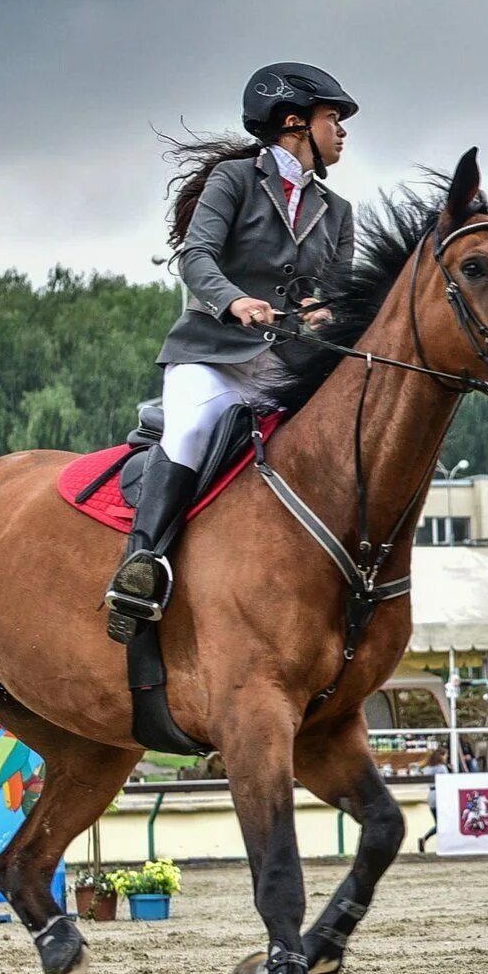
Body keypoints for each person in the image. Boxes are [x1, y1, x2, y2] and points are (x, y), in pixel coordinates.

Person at [103, 62, 358, 642]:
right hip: (213, 356)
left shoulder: (338, 212)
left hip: (284, 369)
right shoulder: (234, 180)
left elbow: (336, 291)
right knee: (190, 433)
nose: (342, 130)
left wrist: (327, 310)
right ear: (294, 123)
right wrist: (234, 301)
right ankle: (140, 567)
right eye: (332, 118)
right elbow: (197, 257)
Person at [416, 748, 450, 853]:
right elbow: (447, 781)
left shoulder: (427, 768)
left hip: (431, 795)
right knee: (443, 823)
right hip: (440, 794)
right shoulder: (442, 768)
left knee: (438, 822)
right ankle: (426, 838)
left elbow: (418, 772)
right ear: (442, 756)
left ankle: (426, 839)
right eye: (445, 755)